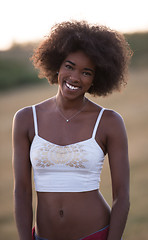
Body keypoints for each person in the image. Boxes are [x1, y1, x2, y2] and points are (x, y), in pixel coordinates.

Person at [12, 20, 132, 240]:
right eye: (69, 66)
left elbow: (122, 196)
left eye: (86, 72)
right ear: (57, 65)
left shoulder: (109, 121)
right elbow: (21, 191)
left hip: (95, 234)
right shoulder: (26, 119)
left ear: (96, 78)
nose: (75, 77)